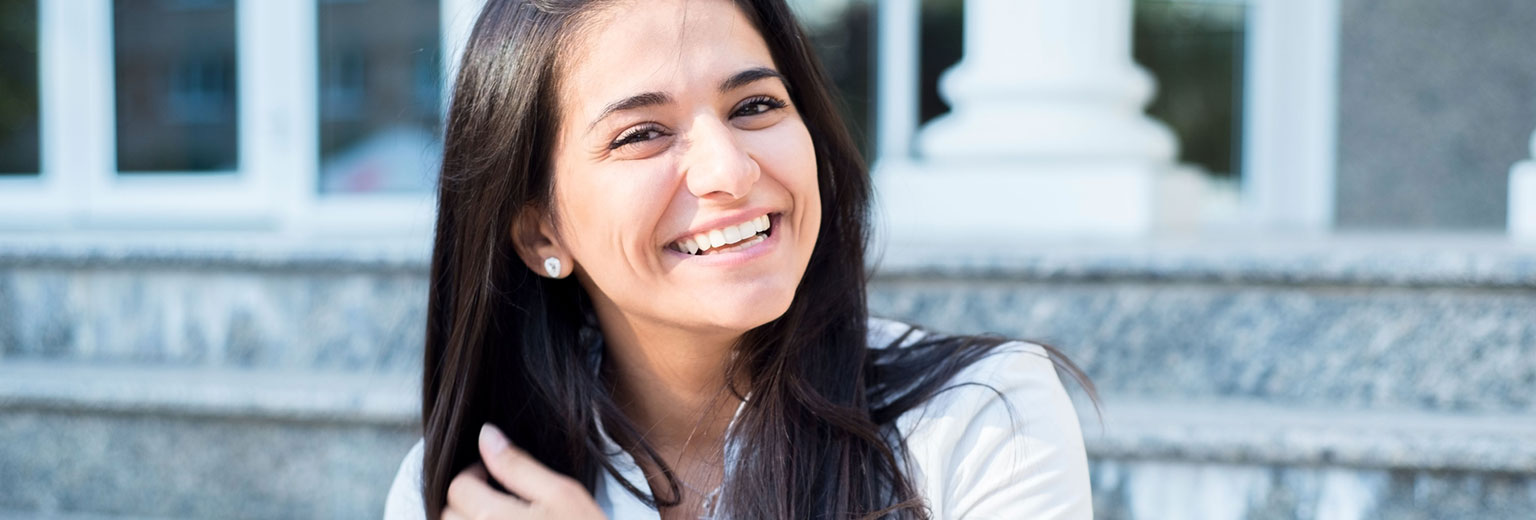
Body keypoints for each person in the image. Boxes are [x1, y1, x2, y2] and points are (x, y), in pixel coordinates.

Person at [384, 0, 1095, 518]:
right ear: (541, 234)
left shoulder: (982, 419)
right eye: (642, 134)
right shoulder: (469, 492)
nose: (729, 168)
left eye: (755, 105)